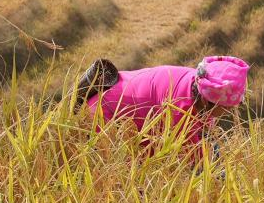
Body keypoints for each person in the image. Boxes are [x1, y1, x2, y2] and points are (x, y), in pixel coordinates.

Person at [83, 56, 249, 161]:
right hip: (103, 117)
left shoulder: (199, 82)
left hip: (127, 105)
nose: (229, 112)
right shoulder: (180, 112)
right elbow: (199, 165)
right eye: (227, 108)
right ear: (208, 102)